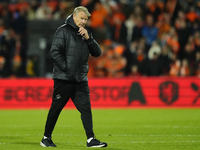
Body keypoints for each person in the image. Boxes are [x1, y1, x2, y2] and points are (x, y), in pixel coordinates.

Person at [40, 6, 107, 148]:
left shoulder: (85, 34)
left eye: (86, 19)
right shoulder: (63, 30)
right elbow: (54, 52)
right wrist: (66, 68)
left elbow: (97, 52)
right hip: (64, 79)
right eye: (81, 18)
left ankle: (91, 139)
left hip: (80, 80)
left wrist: (89, 38)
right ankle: (46, 138)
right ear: (74, 16)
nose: (83, 22)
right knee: (56, 109)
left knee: (86, 109)